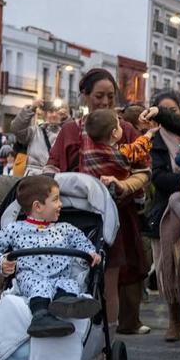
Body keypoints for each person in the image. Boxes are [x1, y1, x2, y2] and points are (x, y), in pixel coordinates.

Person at [47, 68, 151, 337]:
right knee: (73, 278)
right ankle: (74, 335)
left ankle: (106, 340)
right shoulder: (70, 131)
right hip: (74, 218)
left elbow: (142, 170)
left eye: (110, 96)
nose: (104, 102)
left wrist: (123, 186)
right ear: (85, 96)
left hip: (116, 217)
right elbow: (53, 166)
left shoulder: (125, 130)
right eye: (98, 96)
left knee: (109, 281)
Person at [0, 175, 103, 338]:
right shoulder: (15, 229)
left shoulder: (66, 229)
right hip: (30, 277)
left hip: (61, 277)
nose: (61, 204)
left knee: (70, 284)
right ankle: (41, 317)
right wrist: (1, 261)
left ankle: (66, 303)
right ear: (38, 206)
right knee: (40, 286)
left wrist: (91, 254)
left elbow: (84, 245)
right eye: (56, 200)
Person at [143, 91, 180, 346]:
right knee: (167, 265)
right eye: (164, 110)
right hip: (164, 211)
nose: (169, 116)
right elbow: (158, 177)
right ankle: (173, 319)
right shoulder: (155, 141)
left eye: (173, 110)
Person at [10, 99, 69, 176]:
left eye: (57, 112)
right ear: (45, 115)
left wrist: (68, 119)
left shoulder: (65, 134)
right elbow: (16, 129)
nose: (54, 115)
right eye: (51, 112)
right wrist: (31, 109)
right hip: (34, 176)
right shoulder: (35, 131)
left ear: (62, 116)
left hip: (55, 178)